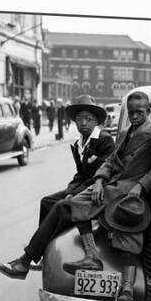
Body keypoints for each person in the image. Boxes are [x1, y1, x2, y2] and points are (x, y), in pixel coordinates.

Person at [0, 92, 151, 301]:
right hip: (109, 188)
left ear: (148, 112)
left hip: (127, 193)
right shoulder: (127, 132)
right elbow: (110, 162)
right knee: (65, 205)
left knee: (66, 207)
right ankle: (40, 260)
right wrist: (100, 180)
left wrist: (140, 186)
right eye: (131, 112)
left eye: (140, 112)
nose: (135, 116)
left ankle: (26, 261)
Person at [38, 95, 114, 224]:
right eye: (79, 119)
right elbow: (80, 174)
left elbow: (98, 176)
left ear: (96, 121)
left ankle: (43, 241)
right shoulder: (78, 143)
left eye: (88, 119)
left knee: (60, 206)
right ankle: (45, 240)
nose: (83, 123)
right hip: (81, 188)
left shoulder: (104, 140)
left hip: (96, 190)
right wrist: (70, 191)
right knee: (46, 202)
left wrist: (73, 194)